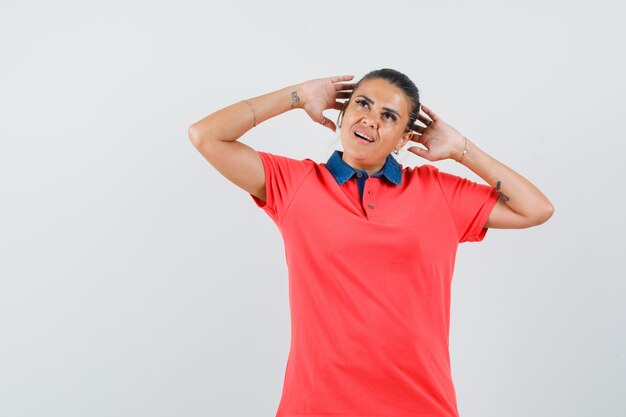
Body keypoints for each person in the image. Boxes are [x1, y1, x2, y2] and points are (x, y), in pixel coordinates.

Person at [188, 69, 554, 417]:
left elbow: (535, 209)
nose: (370, 119)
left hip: (420, 404)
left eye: (389, 116)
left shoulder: (436, 192)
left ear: (405, 139)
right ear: (344, 111)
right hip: (315, 405)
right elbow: (206, 135)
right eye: (362, 104)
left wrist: (460, 149)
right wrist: (298, 96)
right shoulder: (296, 184)